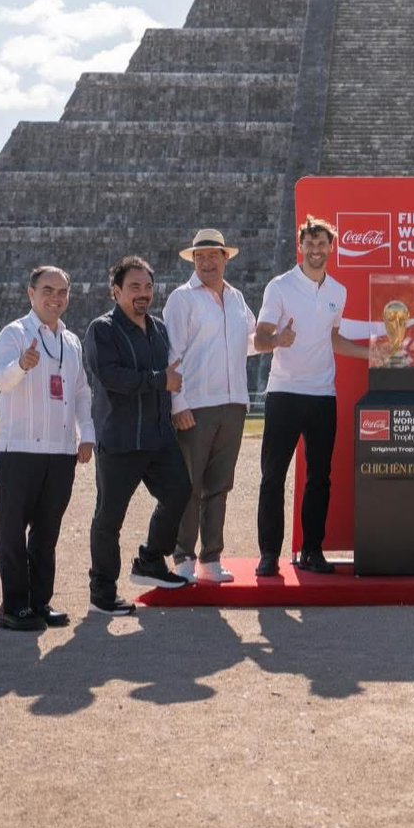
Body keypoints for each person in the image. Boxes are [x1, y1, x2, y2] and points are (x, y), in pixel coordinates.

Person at [253, 215, 369, 577]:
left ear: (331, 248)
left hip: (322, 395)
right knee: (273, 477)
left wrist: (371, 354)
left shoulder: (338, 291)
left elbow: (332, 339)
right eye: (310, 243)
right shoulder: (280, 286)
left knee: (320, 477)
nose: (316, 250)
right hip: (284, 393)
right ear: (300, 246)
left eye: (322, 244)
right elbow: (260, 338)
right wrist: (277, 340)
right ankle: (269, 554)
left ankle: (312, 551)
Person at [84, 256, 192, 616]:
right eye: (134, 287)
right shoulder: (102, 330)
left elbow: (170, 374)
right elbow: (112, 378)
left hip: (159, 439)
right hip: (120, 440)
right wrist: (160, 380)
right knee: (109, 518)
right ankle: (102, 593)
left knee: (179, 492)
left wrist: (168, 390)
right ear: (116, 291)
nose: (143, 293)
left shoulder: (159, 329)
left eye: (147, 286)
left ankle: (150, 560)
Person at [0, 265, 95, 632]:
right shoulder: (14, 333)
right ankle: (14, 606)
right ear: (30, 294)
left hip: (60, 451)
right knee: (12, 532)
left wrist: (87, 434)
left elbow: (81, 391)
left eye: (62, 291)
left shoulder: (72, 341)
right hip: (19, 449)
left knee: (47, 532)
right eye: (48, 290)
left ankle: (39, 602)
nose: (55, 298)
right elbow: (0, 379)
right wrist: (22, 365)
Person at [162, 228, 258, 585]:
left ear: (225, 258)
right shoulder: (181, 299)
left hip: (234, 403)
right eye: (199, 257)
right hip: (196, 404)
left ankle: (211, 557)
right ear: (193, 261)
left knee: (219, 485)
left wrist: (276, 339)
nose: (206, 262)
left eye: (212, 256)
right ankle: (183, 556)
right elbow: (172, 354)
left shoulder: (237, 298)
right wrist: (178, 404)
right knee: (190, 485)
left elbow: (248, 342)